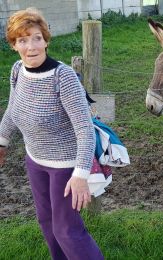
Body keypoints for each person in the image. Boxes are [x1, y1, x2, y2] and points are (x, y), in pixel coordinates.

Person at [0, 8, 104, 259]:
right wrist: (1, 142)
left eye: (36, 37)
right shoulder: (17, 70)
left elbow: (84, 129)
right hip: (35, 160)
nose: (31, 46)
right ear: (14, 45)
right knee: (47, 222)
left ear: (46, 39)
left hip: (65, 167)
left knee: (67, 230)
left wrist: (80, 174)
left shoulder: (63, 77)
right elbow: (13, 110)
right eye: (22, 40)